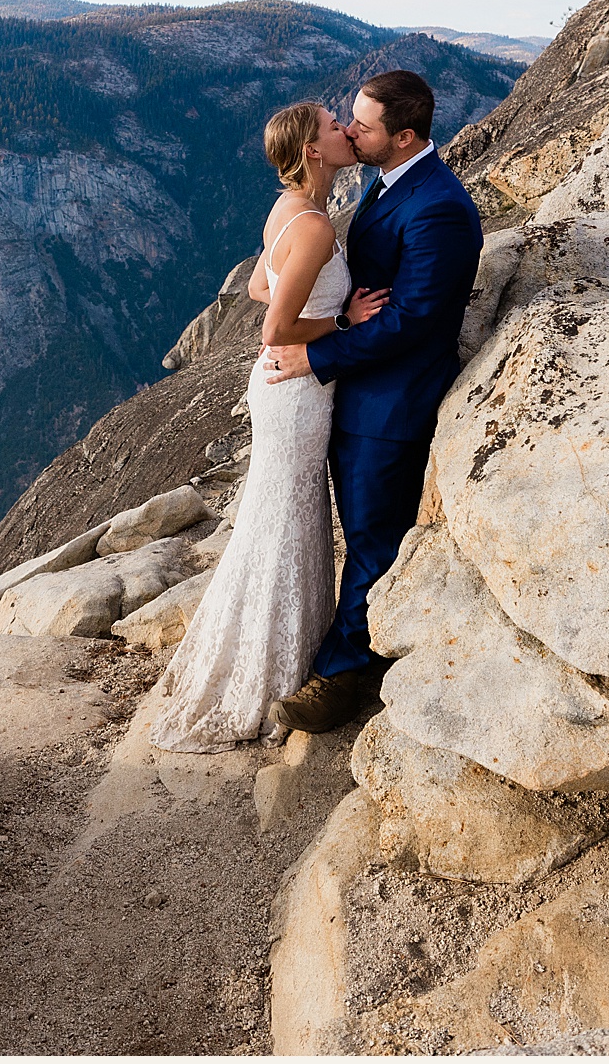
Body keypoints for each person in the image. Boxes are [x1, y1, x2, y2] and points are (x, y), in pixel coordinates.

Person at [148, 103, 389, 752]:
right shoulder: (310, 226)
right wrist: (346, 322)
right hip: (298, 389)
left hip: (284, 387)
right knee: (287, 521)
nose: (346, 129)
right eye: (334, 124)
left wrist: (313, 306)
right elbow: (274, 325)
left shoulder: (289, 210)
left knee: (280, 521)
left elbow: (260, 282)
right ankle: (267, 678)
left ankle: (273, 661)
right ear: (313, 151)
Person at [263, 69, 483, 734]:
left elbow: (414, 319)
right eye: (347, 120)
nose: (350, 129)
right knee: (361, 532)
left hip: (392, 405)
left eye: (362, 124)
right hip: (357, 392)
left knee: (371, 540)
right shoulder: (392, 184)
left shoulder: (438, 206)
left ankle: (341, 676)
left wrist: (318, 351)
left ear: (406, 135)